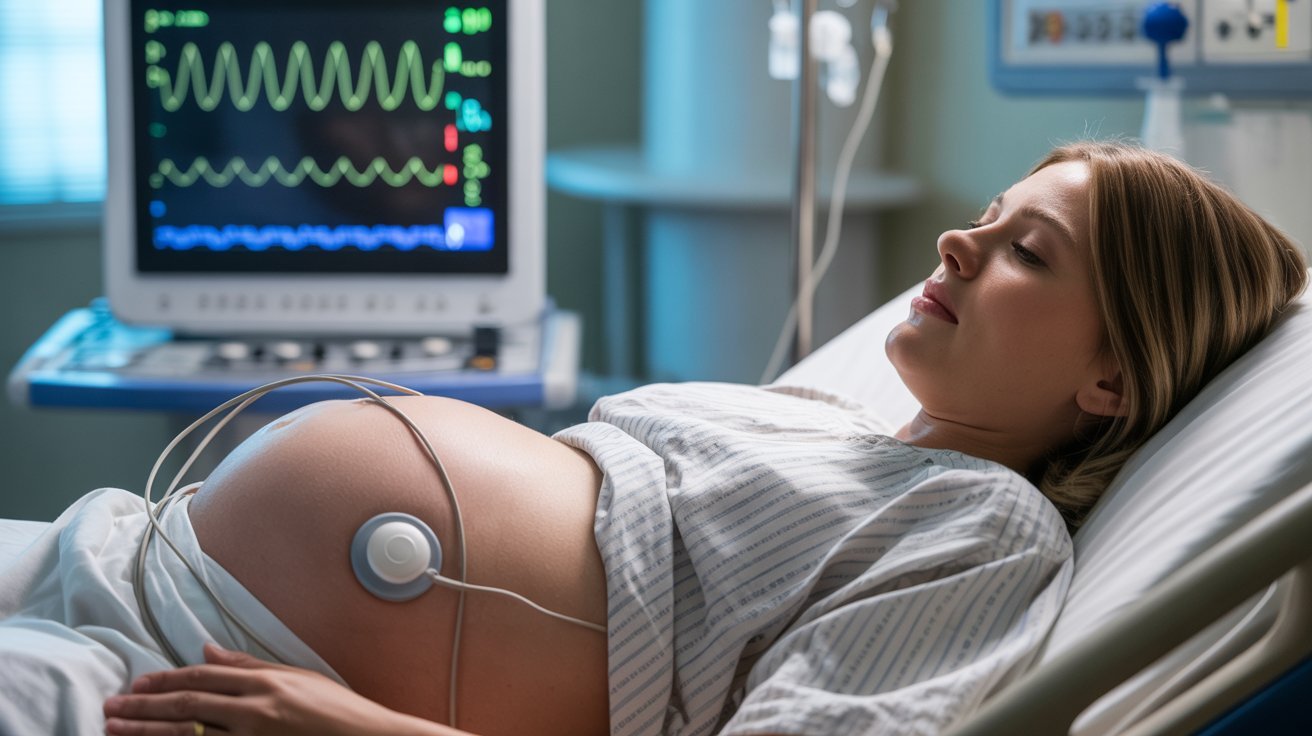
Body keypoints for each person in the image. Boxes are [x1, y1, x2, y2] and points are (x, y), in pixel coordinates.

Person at [25, 141, 1306, 736]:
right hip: (131, 553)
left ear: (1112, 379)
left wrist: (352, 730)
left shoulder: (984, 530)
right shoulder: (830, 427)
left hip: (201, 678)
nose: (957, 243)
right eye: (986, 212)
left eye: (1029, 250)